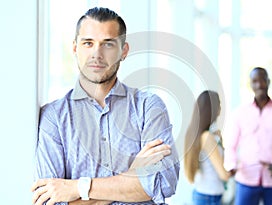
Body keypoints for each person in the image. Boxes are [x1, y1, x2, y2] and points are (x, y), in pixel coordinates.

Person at [31, 7, 179, 205]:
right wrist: (132, 177)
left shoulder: (148, 107)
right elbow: (50, 201)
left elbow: (162, 184)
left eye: (108, 44)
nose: (97, 54)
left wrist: (76, 188)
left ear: (124, 51)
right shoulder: (54, 117)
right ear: (75, 48)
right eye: (88, 43)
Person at [224, 67, 272, 205]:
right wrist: (231, 165)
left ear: (268, 82)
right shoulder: (240, 113)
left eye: (262, 80)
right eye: (254, 81)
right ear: (251, 84)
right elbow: (231, 145)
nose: (259, 85)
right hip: (246, 179)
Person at [184, 90, 231, 205]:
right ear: (212, 109)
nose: (220, 110)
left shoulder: (194, 133)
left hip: (203, 193)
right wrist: (236, 170)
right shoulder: (207, 137)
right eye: (219, 105)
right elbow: (223, 175)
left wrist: (219, 142)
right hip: (209, 197)